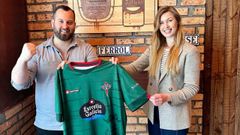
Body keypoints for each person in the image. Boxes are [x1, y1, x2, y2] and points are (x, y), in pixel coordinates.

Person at [112, 6, 200, 135]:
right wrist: (115, 67)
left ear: (177, 21)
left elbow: (192, 88)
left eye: (169, 20)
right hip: (154, 113)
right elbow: (135, 67)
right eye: (161, 22)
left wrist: (167, 97)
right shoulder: (154, 48)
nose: (166, 26)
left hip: (174, 116)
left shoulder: (190, 51)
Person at [11, 5, 97, 135]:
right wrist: (22, 60)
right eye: (61, 21)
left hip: (80, 122)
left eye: (69, 22)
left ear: (74, 24)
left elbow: (95, 82)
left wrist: (72, 71)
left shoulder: (87, 49)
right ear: (52, 23)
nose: (65, 26)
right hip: (47, 126)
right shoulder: (38, 52)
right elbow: (19, 84)